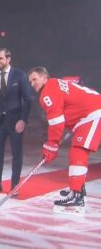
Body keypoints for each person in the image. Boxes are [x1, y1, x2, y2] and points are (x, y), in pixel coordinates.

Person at [28, 66, 101, 213]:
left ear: (44, 78)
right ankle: (77, 189)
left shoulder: (47, 93)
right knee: (76, 152)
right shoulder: (56, 82)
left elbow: (57, 122)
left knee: (78, 152)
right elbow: (75, 80)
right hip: (87, 114)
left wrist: (52, 145)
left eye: (34, 79)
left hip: (92, 113)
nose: (32, 83)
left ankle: (77, 195)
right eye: (30, 81)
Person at [0, 47, 33, 193]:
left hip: (16, 121)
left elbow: (28, 100)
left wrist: (23, 119)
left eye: (0, 58)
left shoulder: (20, 75)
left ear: (8, 59)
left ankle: (15, 185)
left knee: (17, 153)